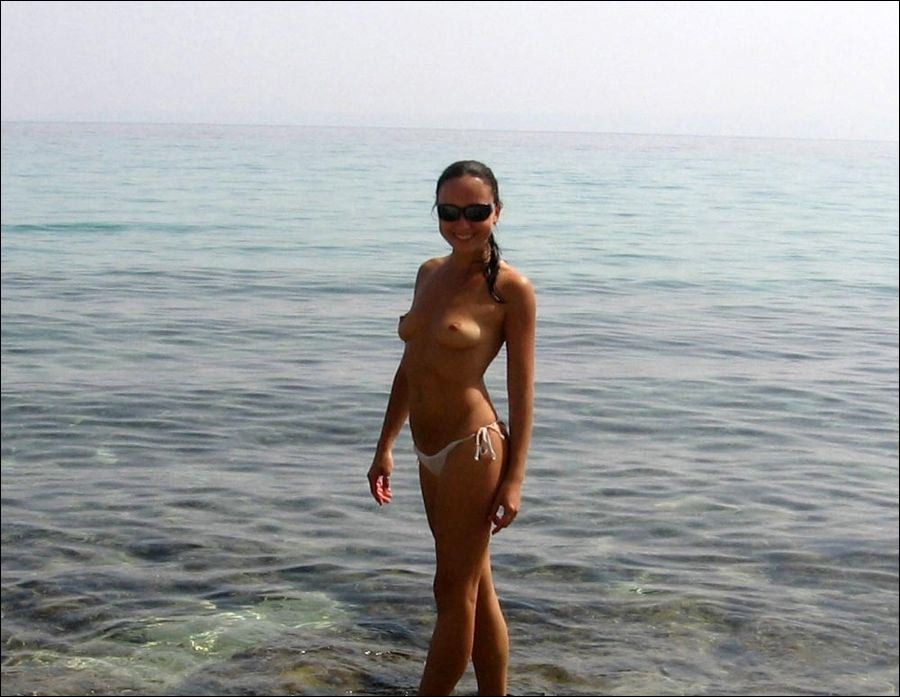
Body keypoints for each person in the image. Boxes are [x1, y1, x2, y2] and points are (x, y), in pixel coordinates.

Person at [367, 160, 536, 696]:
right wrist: (386, 445)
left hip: (474, 448)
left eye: (476, 211)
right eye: (450, 211)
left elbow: (522, 393)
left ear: (497, 212)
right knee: (476, 587)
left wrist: (514, 480)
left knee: (451, 591)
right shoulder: (428, 273)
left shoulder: (511, 289)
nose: (462, 224)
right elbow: (411, 366)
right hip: (428, 449)